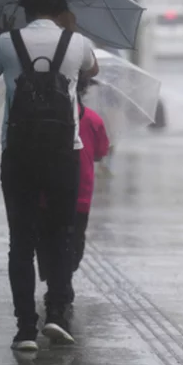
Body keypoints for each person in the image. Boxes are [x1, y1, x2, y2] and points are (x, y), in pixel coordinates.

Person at [0, 0, 99, 351]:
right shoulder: (77, 43)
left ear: (26, 11)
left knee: (21, 241)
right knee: (62, 234)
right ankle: (58, 315)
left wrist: (1, 39)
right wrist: (71, 32)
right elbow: (92, 72)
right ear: (60, 11)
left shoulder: (6, 43)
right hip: (65, 153)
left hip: (18, 153)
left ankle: (25, 329)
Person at [37, 77, 111, 302]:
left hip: (46, 193)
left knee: (47, 237)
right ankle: (62, 280)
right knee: (74, 240)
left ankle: (53, 277)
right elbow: (100, 152)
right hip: (81, 194)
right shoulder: (93, 120)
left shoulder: (44, 119)